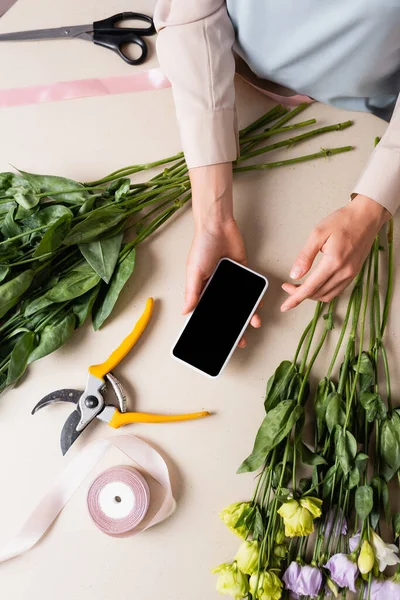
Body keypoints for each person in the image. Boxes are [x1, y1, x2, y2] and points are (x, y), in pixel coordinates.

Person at [154, 1, 398, 346]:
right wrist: (212, 216)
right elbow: (189, 16)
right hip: (234, 72)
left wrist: (371, 207)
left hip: (373, 103)